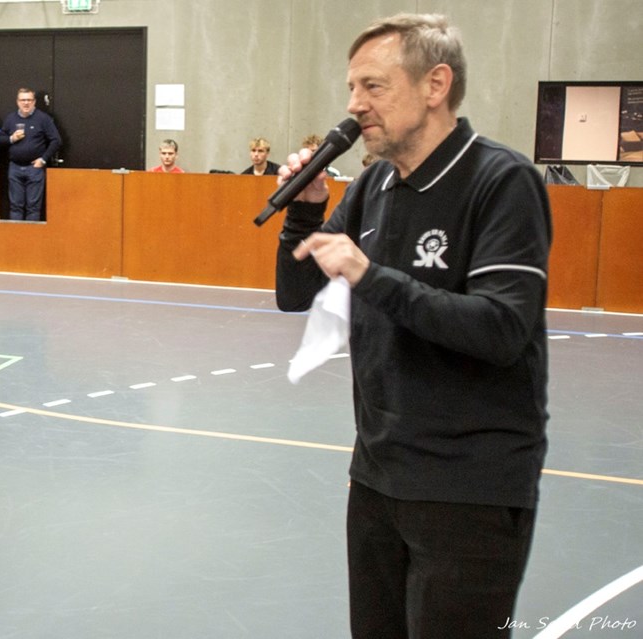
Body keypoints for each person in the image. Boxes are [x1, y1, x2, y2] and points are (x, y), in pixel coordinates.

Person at [273, 13, 550, 639]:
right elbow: (295, 294)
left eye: (373, 86)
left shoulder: (502, 181)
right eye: (352, 88)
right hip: (377, 474)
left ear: (435, 85)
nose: (354, 104)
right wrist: (305, 214)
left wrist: (372, 276)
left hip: (470, 486)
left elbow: (502, 328)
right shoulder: (374, 184)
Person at [1, 87, 61, 221]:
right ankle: (16, 234)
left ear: (34, 102)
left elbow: (56, 140)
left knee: (33, 208)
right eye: (23, 100)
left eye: (29, 100)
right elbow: (0, 139)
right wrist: (12, 138)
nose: (26, 103)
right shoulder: (11, 118)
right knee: (15, 207)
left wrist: (43, 159)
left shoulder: (43, 118)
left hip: (34, 169)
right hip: (15, 168)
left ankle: (31, 235)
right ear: (17, 102)